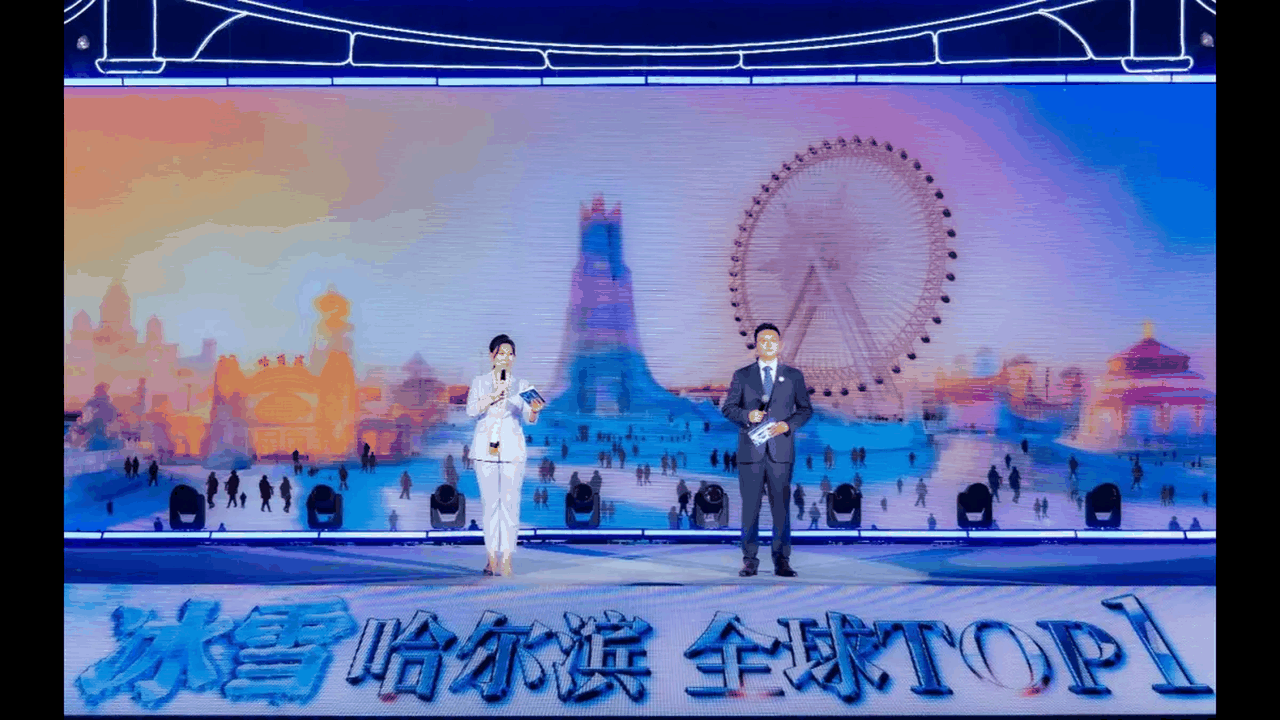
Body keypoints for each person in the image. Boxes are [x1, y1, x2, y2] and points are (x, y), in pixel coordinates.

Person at [721, 323, 813, 578]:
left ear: (780, 345)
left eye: (773, 340)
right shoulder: (742, 375)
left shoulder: (793, 376)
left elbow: (805, 409)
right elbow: (728, 408)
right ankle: (749, 561)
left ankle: (782, 561)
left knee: (781, 510)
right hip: (750, 453)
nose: (769, 344)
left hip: (780, 453)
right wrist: (747, 415)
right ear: (756, 345)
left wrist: (787, 425)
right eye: (764, 340)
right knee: (750, 509)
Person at [468, 334, 544, 578]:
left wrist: (534, 411)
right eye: (502, 353)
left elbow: (530, 419)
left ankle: (508, 560)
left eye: (510, 354)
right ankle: (491, 560)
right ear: (492, 356)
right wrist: (494, 394)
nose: (506, 358)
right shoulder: (480, 382)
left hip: (512, 451)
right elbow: (471, 410)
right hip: (485, 451)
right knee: (490, 506)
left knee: (510, 506)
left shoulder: (522, 385)